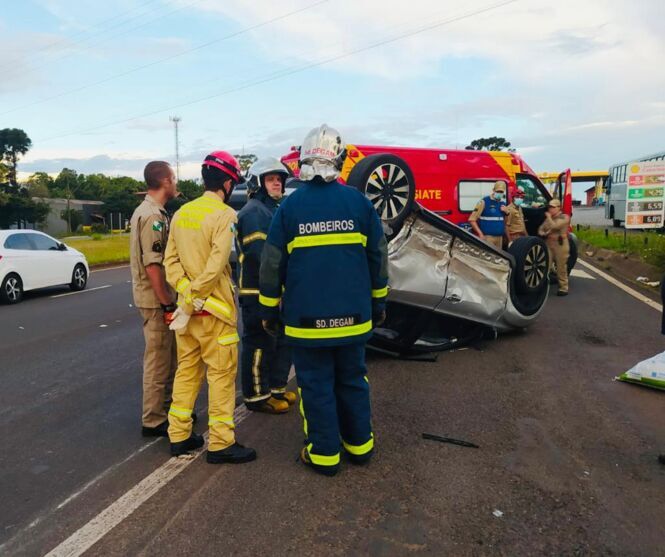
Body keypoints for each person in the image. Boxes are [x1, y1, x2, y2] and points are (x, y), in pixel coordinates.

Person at [259, 124, 389, 477]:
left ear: (303, 160)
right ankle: (360, 447)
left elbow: (272, 264)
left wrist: (268, 310)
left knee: (315, 386)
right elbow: (378, 258)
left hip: (307, 323)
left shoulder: (289, 207)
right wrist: (378, 304)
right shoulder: (360, 203)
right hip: (354, 319)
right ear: (341, 160)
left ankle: (324, 455)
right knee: (352, 380)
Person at [164, 151, 256, 464]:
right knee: (221, 378)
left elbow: (170, 263)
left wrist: (186, 297)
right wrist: (197, 297)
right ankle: (220, 443)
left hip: (186, 316)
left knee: (186, 373)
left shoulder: (181, 213)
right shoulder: (225, 216)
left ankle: (179, 435)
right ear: (228, 182)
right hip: (215, 313)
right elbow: (218, 265)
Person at [236, 157, 295, 414]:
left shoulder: (273, 209)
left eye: (279, 180)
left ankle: (276, 388)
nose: (277, 183)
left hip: (275, 290)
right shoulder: (253, 212)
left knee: (280, 341)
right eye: (271, 179)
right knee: (259, 343)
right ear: (258, 183)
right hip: (257, 291)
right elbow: (261, 256)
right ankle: (258, 396)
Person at [130, 161, 178, 438]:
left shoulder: (152, 211)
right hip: (154, 299)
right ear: (165, 181)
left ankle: (169, 408)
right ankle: (154, 418)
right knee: (158, 360)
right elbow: (153, 265)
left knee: (168, 357)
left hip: (155, 298)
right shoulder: (152, 216)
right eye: (174, 178)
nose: (176, 183)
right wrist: (166, 302)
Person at [537, 198, 570, 296]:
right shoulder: (549, 219)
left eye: (552, 207)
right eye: (549, 207)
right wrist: (543, 233)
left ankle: (563, 287)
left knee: (561, 267)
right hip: (549, 243)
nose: (550, 209)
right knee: (545, 265)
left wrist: (549, 218)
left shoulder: (564, 217)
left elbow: (555, 226)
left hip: (560, 244)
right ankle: (542, 286)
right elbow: (540, 228)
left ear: (559, 208)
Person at [469, 180, 508, 249]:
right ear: (493, 190)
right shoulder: (484, 202)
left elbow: (505, 222)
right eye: (498, 191)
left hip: (499, 238)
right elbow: (472, 220)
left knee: (498, 258)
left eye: (501, 192)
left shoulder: (503, 204)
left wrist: (507, 213)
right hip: (488, 238)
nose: (499, 193)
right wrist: (480, 234)